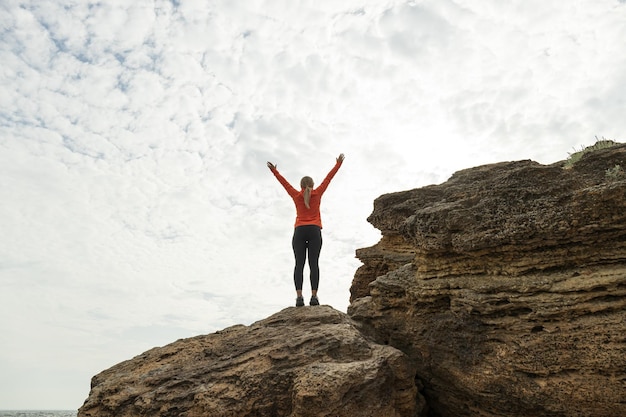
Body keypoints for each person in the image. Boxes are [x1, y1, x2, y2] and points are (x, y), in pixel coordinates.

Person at [267, 153, 345, 307]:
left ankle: (299, 297)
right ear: (312, 185)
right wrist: (338, 164)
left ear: (301, 186)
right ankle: (314, 297)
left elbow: (285, 184)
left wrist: (275, 171)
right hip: (315, 230)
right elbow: (329, 178)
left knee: (299, 264)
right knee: (313, 264)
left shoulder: (296, 195)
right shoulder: (318, 193)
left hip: (300, 231)